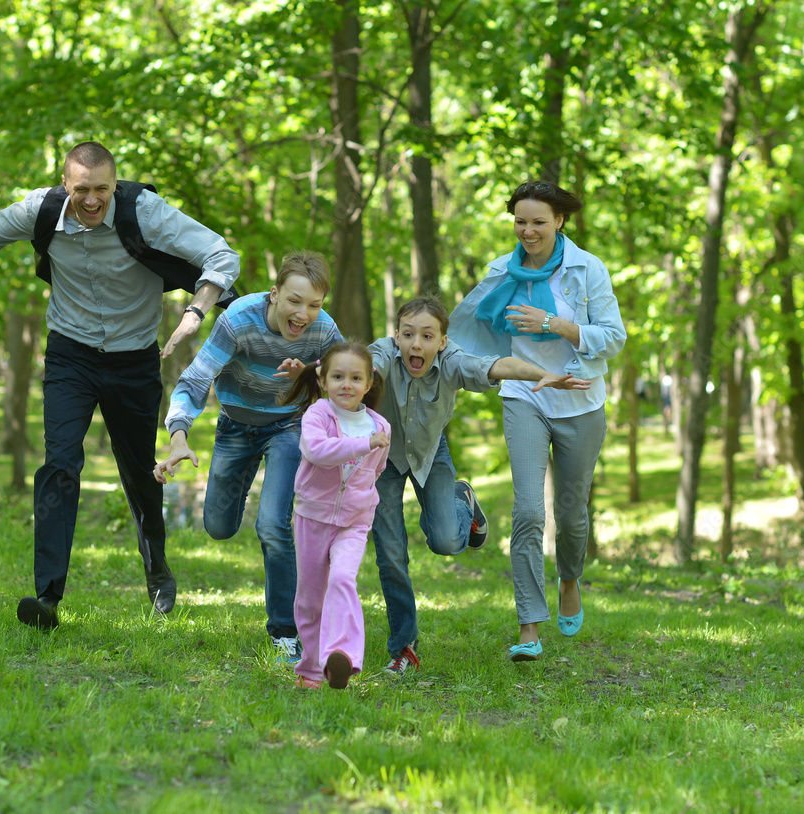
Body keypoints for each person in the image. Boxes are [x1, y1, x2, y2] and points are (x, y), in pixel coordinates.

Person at [0, 141, 240, 630]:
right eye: (80, 190)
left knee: (140, 473)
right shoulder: (41, 210)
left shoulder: (147, 213)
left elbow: (222, 255)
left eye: (101, 189)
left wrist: (196, 311)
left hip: (135, 359)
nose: (91, 200)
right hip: (70, 355)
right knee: (60, 465)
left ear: (114, 185)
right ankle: (47, 598)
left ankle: (157, 569)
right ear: (64, 183)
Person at [449, 180, 625, 662]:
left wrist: (553, 325)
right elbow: (464, 327)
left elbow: (613, 337)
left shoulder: (588, 269)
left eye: (538, 222)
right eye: (520, 221)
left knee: (571, 517)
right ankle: (529, 626)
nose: (528, 230)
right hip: (524, 394)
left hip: (580, 399)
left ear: (560, 221)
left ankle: (569, 578)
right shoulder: (499, 271)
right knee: (528, 511)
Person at [369, 296, 592, 675]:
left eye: (426, 336)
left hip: (429, 451)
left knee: (445, 541)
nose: (415, 345)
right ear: (396, 336)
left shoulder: (453, 360)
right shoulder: (381, 355)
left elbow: (496, 365)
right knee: (391, 555)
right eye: (408, 335)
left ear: (441, 341)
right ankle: (403, 647)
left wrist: (540, 374)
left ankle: (462, 500)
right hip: (382, 455)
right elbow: (351, 367)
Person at [154, 251, 342, 663]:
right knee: (219, 527)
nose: (304, 314)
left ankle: (285, 632)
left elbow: (346, 384)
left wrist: (309, 377)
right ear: (274, 295)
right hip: (236, 427)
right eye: (295, 301)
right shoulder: (238, 320)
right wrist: (178, 437)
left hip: (289, 427)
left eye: (314, 305)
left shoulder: (325, 331)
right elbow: (195, 379)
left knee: (273, 525)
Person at [277, 342, 391, 690]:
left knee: (343, 579)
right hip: (313, 516)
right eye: (338, 376)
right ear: (323, 380)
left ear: (368, 384)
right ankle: (311, 669)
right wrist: (363, 444)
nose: (347, 384)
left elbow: (376, 470)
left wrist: (361, 493)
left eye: (356, 378)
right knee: (310, 598)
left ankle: (343, 657)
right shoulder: (318, 415)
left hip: (355, 522)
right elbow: (317, 451)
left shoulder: (379, 425)